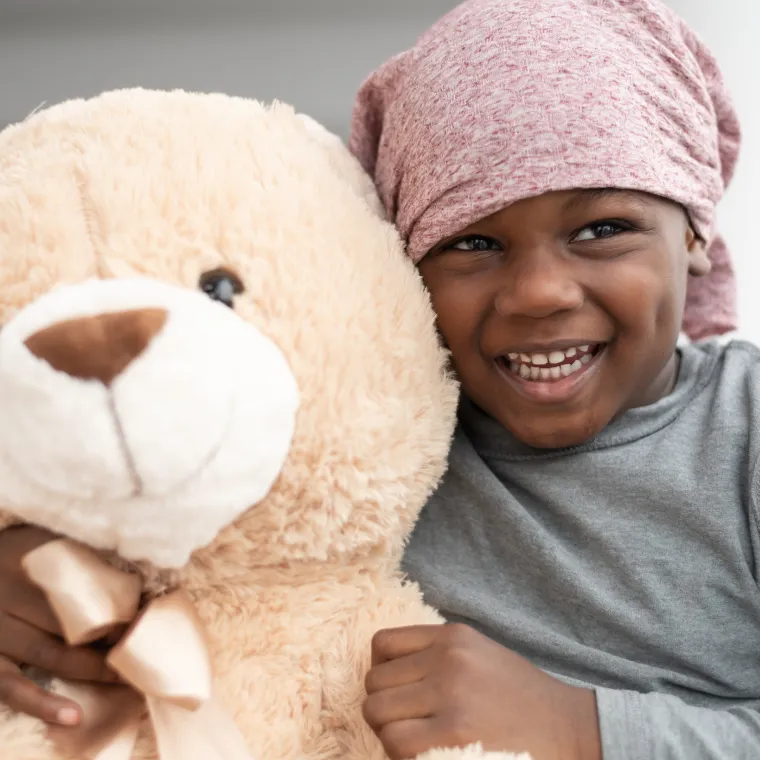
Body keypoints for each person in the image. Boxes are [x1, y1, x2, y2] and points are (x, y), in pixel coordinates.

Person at [0, 1, 756, 759]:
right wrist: (31, 567)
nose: (538, 292)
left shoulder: (744, 434)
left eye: (602, 229)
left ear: (694, 232)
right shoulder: (360, 439)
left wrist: (584, 728)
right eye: (473, 242)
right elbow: (163, 508)